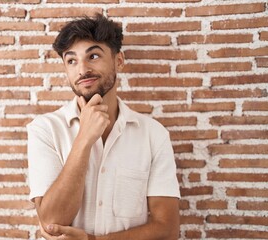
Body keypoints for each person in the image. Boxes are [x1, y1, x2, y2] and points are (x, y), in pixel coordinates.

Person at [27, 13, 181, 240]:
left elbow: (167, 229)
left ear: (118, 61)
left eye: (94, 56)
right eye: (71, 60)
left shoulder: (153, 134)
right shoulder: (45, 129)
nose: (82, 70)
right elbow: (51, 222)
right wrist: (84, 139)